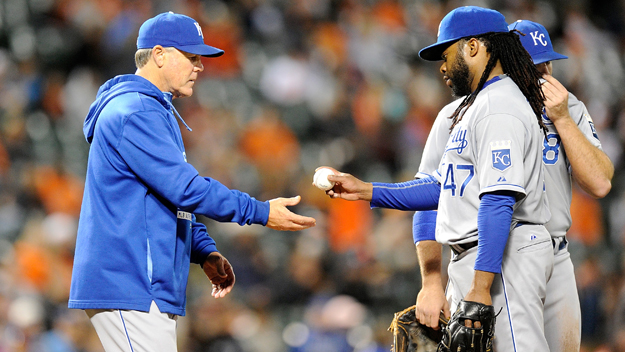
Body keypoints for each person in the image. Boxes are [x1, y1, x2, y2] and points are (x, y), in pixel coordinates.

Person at [69, 12, 316, 352]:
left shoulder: (152, 109)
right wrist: (258, 211)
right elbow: (186, 188)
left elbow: (168, 198)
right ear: (159, 55)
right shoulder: (135, 110)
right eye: (192, 57)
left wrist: (202, 250)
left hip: (141, 279)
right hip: (130, 278)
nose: (200, 67)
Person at [320, 6, 554, 351]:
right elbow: (441, 189)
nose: (442, 67)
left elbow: (498, 199)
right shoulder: (472, 108)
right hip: (476, 259)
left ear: (474, 47)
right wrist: (367, 190)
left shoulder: (500, 107)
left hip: (504, 257)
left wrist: (480, 287)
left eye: (446, 54)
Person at [412, 19, 614, 352]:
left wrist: (562, 119)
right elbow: (430, 195)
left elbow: (600, 182)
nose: (543, 73)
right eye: (533, 64)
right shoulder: (459, 115)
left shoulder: (568, 107)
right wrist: (432, 281)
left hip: (555, 255)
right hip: (498, 257)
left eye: (547, 63)